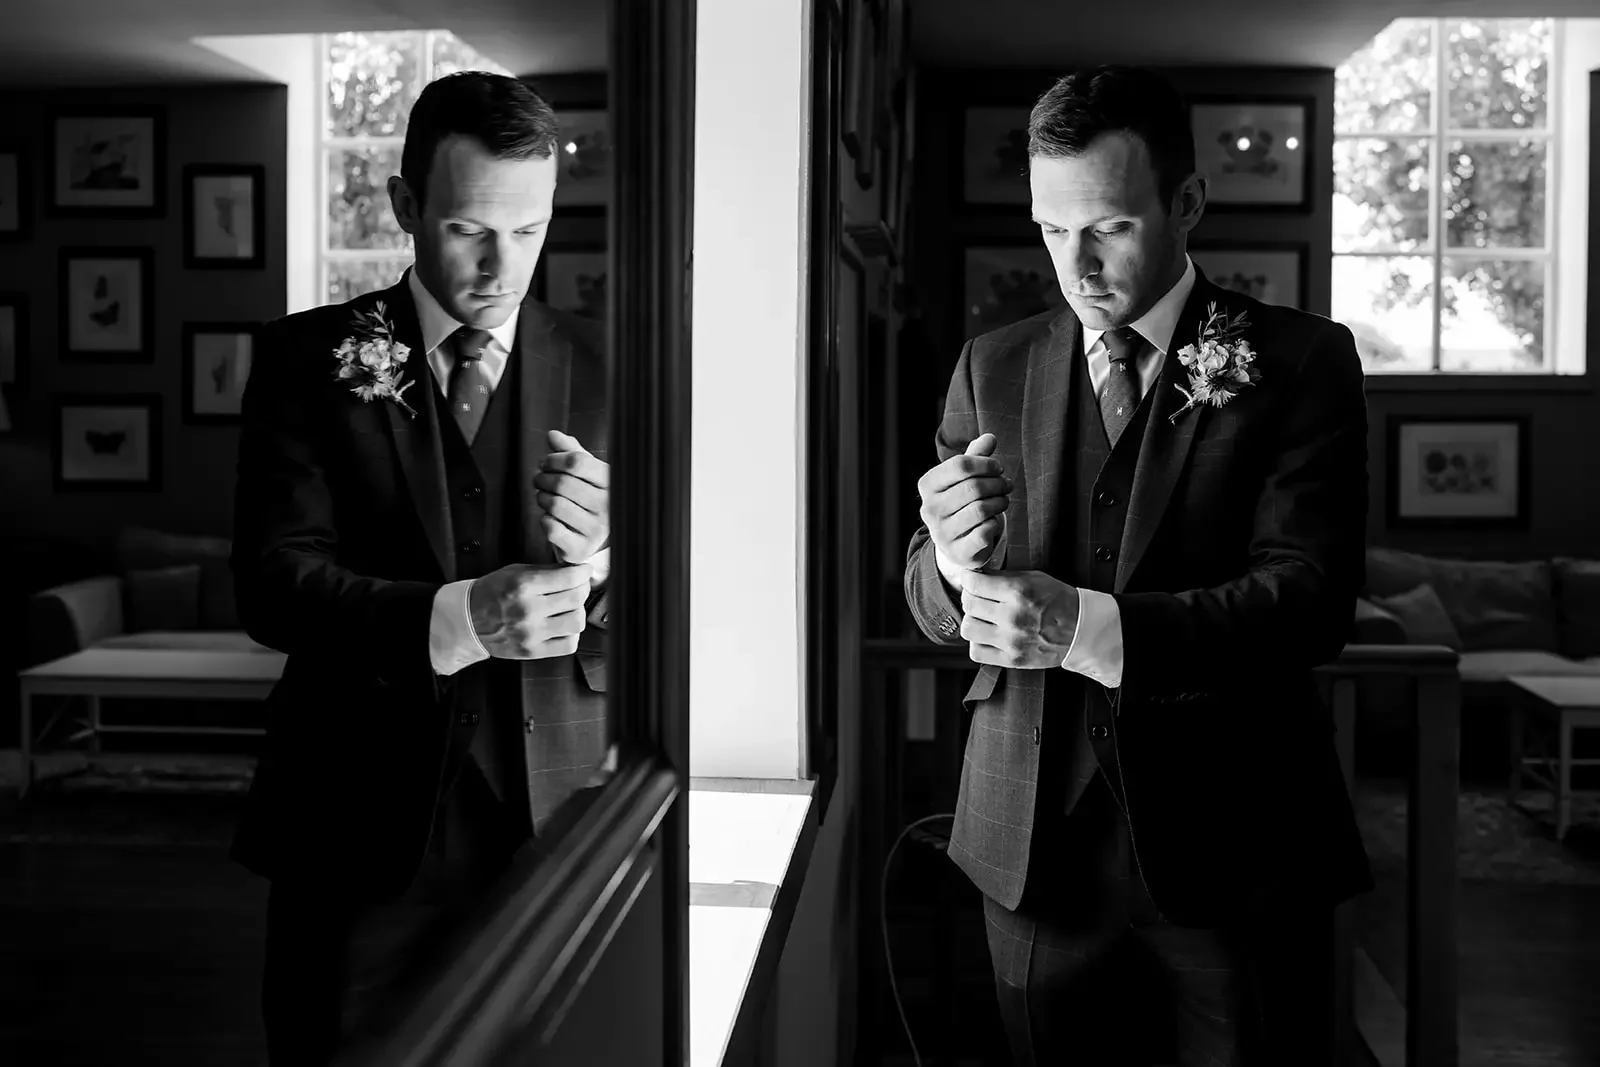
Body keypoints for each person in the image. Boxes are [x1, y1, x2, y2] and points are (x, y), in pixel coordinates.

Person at [904, 65, 1372, 1065]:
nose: (1075, 264)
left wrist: (1084, 629)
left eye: (1108, 226)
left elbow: (1308, 600)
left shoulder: (1298, 361)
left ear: (1187, 204)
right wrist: (944, 563)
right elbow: (927, 594)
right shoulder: (991, 365)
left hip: (1234, 847)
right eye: (1050, 227)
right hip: (1024, 848)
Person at [229, 71, 612, 1065]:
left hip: (561, 819)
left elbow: (700, 598)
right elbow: (272, 579)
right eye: (470, 229)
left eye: (529, 231)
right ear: (405, 207)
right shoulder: (310, 358)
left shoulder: (617, 369)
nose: (502, 265)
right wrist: (462, 618)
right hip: (353, 821)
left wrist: (609, 567)